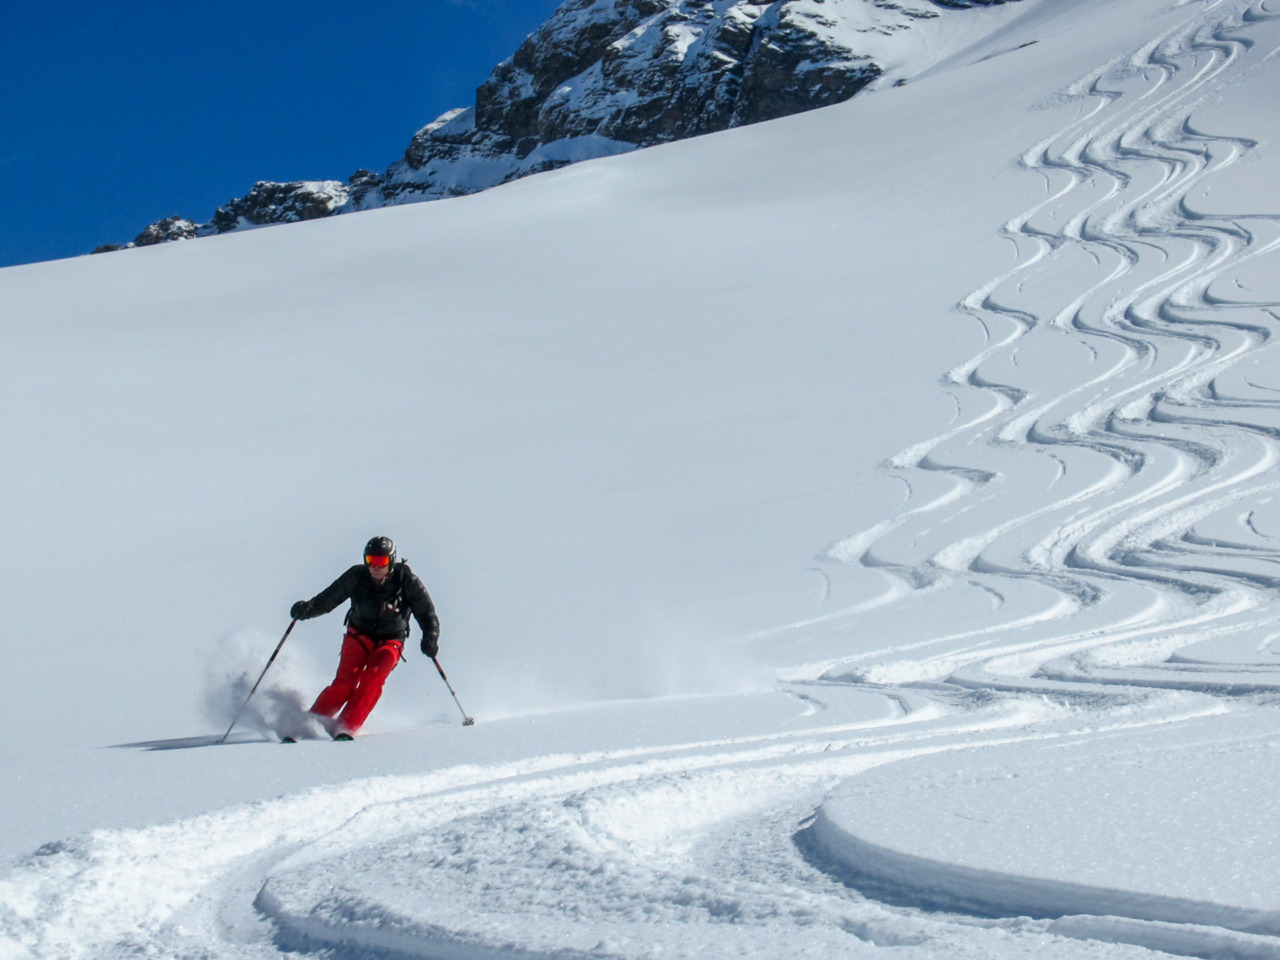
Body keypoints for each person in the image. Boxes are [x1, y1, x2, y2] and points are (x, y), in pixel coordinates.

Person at [289, 536, 440, 739]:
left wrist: (430, 637)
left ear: (392, 561)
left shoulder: (406, 581)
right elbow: (329, 599)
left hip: (391, 640)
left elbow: (426, 613)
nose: (376, 567)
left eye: (381, 562)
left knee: (374, 677)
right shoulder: (357, 576)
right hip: (359, 635)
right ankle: (312, 720)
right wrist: (307, 610)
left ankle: (347, 725)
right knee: (345, 683)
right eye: (371, 561)